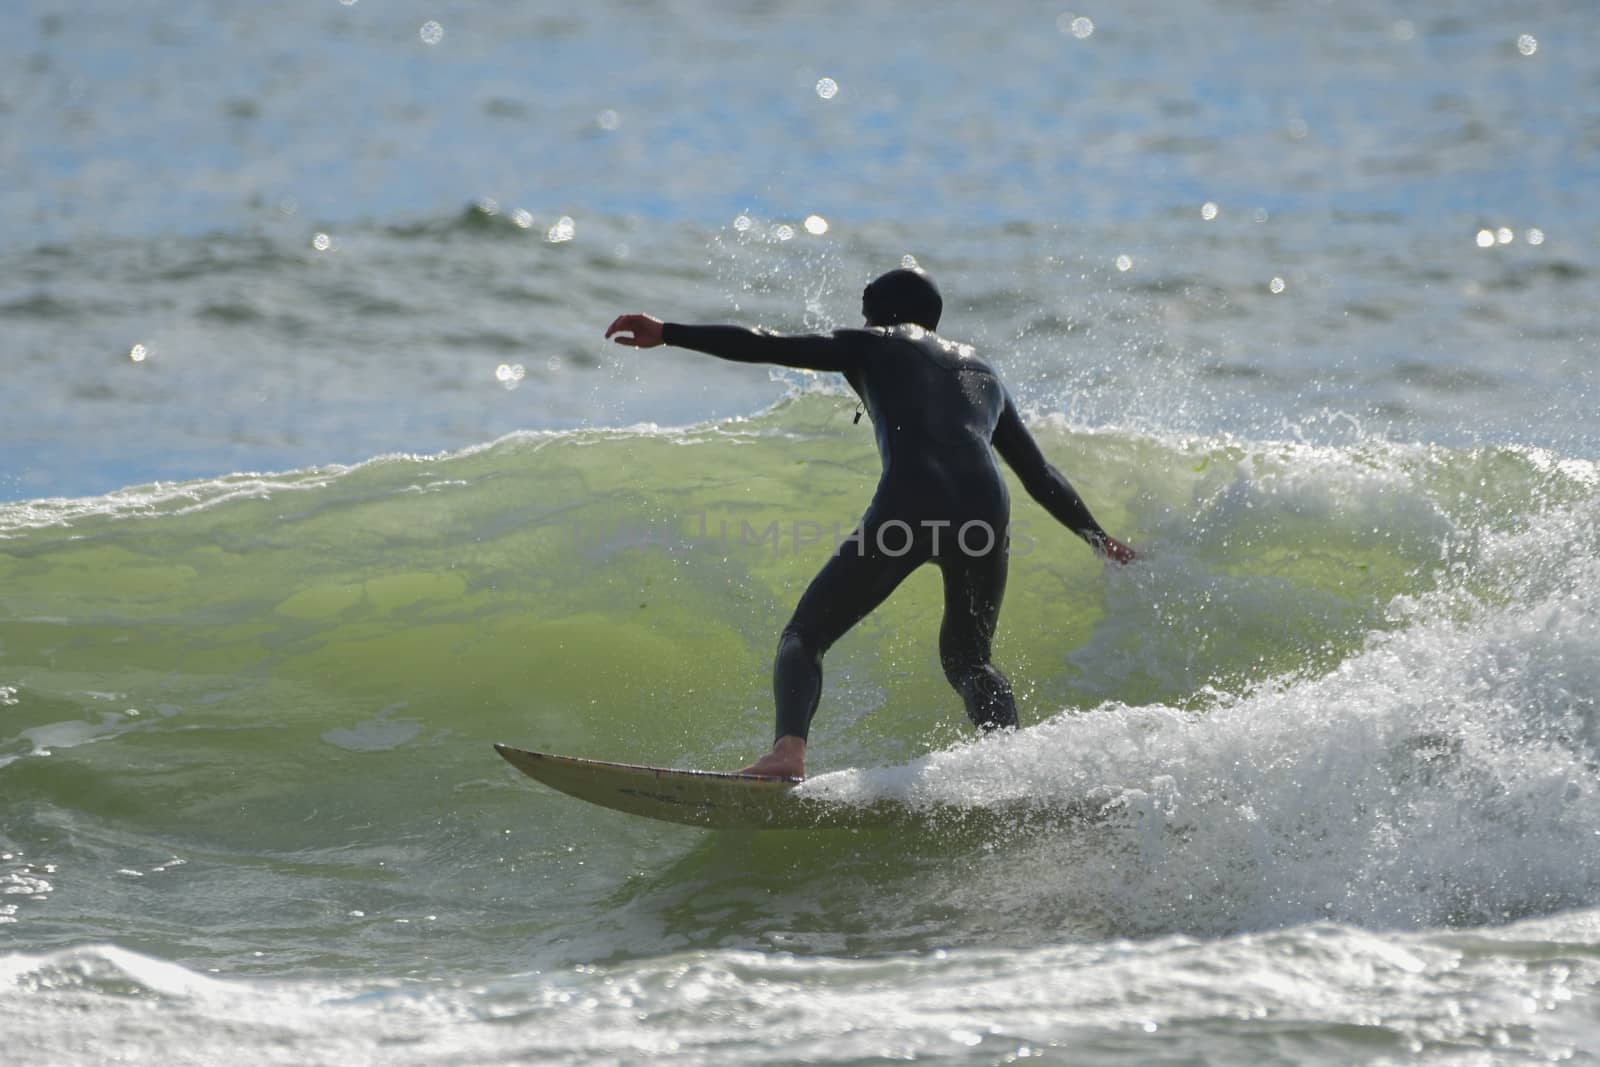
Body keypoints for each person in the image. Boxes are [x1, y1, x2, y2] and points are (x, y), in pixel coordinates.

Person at [605, 267, 1134, 778]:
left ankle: (788, 753)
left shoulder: (876, 343)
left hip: (915, 499)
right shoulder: (983, 372)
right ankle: (1010, 762)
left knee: (804, 636)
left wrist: (668, 333)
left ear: (881, 313)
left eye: (865, 312)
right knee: (970, 661)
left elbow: (766, 343)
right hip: (985, 509)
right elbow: (1038, 472)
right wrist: (1100, 539)